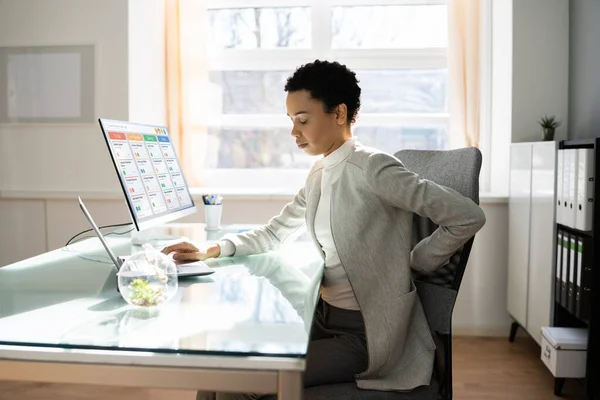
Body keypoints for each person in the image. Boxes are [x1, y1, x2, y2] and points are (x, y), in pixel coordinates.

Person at [163, 60, 486, 400]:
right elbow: (276, 232)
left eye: (303, 120)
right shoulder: (320, 172)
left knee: (243, 383)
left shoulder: (374, 168)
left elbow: (467, 216)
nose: (294, 132)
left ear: (339, 114)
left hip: (366, 337)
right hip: (321, 323)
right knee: (221, 369)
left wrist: (418, 260)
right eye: (291, 121)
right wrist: (209, 251)